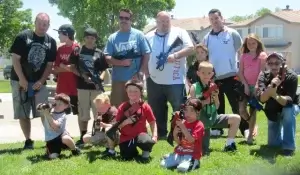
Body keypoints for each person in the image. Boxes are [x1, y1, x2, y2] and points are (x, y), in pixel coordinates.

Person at [9, 13, 57, 149]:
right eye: (40, 23)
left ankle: (50, 139)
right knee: (23, 112)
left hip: (39, 82)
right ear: (35, 22)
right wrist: (22, 79)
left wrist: (42, 81)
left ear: (49, 25)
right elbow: (15, 59)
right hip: (19, 80)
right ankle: (28, 140)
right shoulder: (23, 37)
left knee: (44, 111)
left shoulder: (51, 42)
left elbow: (49, 65)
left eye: (45, 24)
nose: (43, 26)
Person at [145, 11, 194, 139]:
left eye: (167, 21)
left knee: (179, 108)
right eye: (161, 21)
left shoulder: (180, 32)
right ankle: (160, 133)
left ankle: (179, 132)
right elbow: (143, 55)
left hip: (175, 80)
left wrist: (176, 55)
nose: (164, 24)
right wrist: (146, 74)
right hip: (154, 80)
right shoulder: (148, 36)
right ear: (156, 22)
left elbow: (190, 48)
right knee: (156, 108)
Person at [202, 9, 248, 137]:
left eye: (216, 18)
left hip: (231, 76)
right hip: (214, 78)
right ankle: (218, 129)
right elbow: (205, 57)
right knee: (218, 105)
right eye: (211, 19)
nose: (214, 21)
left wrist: (241, 72)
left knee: (236, 105)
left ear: (222, 18)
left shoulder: (232, 33)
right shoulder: (207, 38)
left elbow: (241, 53)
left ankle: (245, 129)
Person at [190, 61, 241, 154]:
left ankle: (229, 144)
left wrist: (216, 96)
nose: (206, 75)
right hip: (201, 120)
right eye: (203, 73)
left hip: (213, 117)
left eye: (209, 73)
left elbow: (217, 106)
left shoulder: (213, 86)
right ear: (198, 73)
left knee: (236, 118)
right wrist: (205, 102)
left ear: (212, 74)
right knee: (204, 150)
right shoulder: (194, 87)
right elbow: (192, 107)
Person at [69, 27, 109, 146]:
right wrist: (83, 76)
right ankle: (83, 136)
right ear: (84, 38)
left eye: (92, 38)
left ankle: (97, 136)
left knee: (98, 113)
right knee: (83, 113)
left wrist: (100, 78)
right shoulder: (77, 51)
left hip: (96, 88)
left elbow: (104, 69)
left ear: (95, 39)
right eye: (88, 38)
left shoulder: (99, 52)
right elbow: (72, 67)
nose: (90, 40)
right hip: (82, 87)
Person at [104, 8, 151, 107]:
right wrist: (121, 63)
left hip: (135, 79)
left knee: (136, 109)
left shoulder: (139, 35)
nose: (123, 20)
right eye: (121, 17)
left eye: (126, 18)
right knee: (117, 108)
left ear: (131, 20)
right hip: (118, 80)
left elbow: (146, 54)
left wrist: (141, 72)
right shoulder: (112, 38)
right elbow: (107, 56)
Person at [256, 52, 299, 156]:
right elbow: (262, 99)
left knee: (288, 111)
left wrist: (274, 95)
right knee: (273, 144)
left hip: (290, 106)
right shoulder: (263, 76)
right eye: (270, 63)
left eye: (277, 63)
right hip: (272, 109)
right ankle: (283, 129)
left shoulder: (292, 76)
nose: (274, 66)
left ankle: (289, 147)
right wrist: (271, 86)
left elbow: (288, 101)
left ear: (283, 63)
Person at [113, 79, 157, 161]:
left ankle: (146, 151)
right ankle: (132, 150)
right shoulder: (122, 107)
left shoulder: (145, 106)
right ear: (126, 91)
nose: (132, 93)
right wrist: (126, 122)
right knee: (127, 157)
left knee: (147, 141)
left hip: (141, 135)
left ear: (141, 91)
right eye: (130, 91)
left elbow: (152, 122)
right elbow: (117, 125)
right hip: (126, 137)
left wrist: (154, 136)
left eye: (136, 91)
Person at [238, 33, 267, 144]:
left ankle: (250, 136)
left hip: (257, 86)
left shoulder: (262, 55)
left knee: (253, 110)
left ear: (258, 43)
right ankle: (253, 124)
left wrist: (256, 85)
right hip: (245, 86)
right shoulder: (243, 56)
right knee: (241, 110)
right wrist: (245, 85)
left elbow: (262, 71)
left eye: (253, 43)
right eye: (249, 43)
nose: (251, 45)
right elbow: (240, 72)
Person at [160, 98, 204, 173]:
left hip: (191, 154)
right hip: (179, 152)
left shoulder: (199, 125)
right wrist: (175, 134)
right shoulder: (183, 122)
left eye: (192, 111)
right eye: (186, 110)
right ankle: (175, 158)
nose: (188, 114)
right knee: (163, 165)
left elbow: (191, 140)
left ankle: (195, 162)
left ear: (198, 112)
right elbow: (180, 143)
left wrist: (182, 127)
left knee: (182, 169)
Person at [37, 93, 81, 159]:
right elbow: (44, 123)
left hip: (61, 136)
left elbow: (55, 126)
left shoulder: (62, 116)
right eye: (56, 103)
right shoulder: (49, 110)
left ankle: (74, 149)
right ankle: (50, 150)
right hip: (51, 139)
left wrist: (47, 114)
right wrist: (42, 111)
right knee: (53, 157)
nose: (57, 105)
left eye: (60, 104)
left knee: (66, 138)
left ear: (66, 106)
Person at [53, 24, 79, 115]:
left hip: (75, 89)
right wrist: (68, 67)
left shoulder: (77, 48)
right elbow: (55, 68)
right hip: (61, 89)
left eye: (60, 33)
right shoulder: (60, 49)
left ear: (66, 34)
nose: (58, 36)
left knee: (77, 114)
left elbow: (76, 68)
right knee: (60, 114)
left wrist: (62, 65)